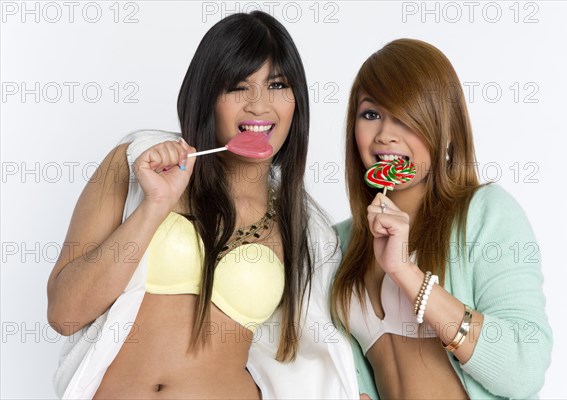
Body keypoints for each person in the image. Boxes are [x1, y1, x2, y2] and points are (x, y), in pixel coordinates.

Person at [47, 11, 358, 399]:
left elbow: (316, 362)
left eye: (277, 85)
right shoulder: (134, 164)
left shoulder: (308, 231)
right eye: (238, 87)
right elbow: (64, 314)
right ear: (207, 96)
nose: (259, 105)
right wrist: (154, 205)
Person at [331, 39, 553, 399]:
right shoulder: (338, 243)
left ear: (444, 128)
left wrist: (406, 272)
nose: (385, 134)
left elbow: (524, 368)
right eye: (371, 113)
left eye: (405, 116)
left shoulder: (486, 215)